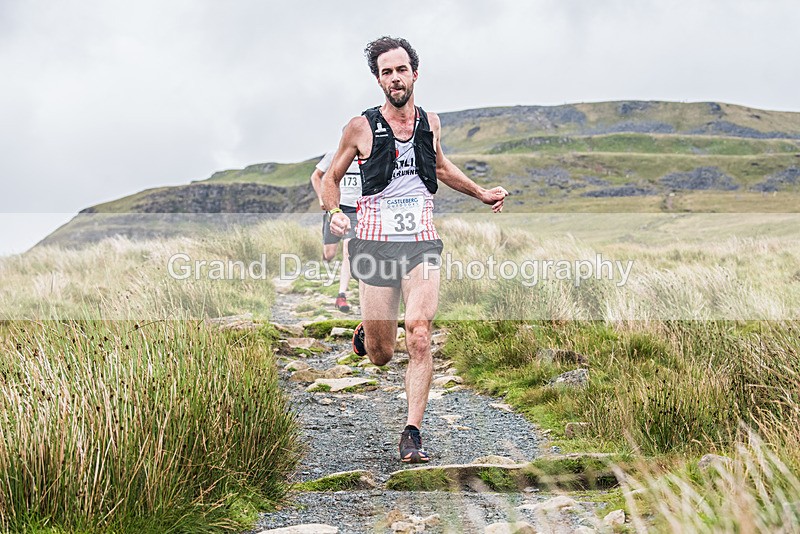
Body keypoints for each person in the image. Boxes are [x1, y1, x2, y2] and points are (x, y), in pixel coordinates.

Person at [321, 36, 508, 463]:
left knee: (419, 333)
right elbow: (332, 177)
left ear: (414, 74)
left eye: (401, 69)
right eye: (386, 72)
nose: (395, 78)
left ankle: (412, 434)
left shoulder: (430, 123)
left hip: (421, 243)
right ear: (378, 80)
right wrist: (333, 211)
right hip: (374, 246)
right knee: (383, 356)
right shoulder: (360, 127)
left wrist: (479, 192)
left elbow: (440, 166)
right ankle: (369, 335)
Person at [309, 151, 361, 312]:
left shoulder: (368, 154)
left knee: (348, 249)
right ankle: (325, 256)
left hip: (356, 210)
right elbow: (316, 176)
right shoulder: (335, 155)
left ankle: (341, 295)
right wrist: (321, 198)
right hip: (336, 208)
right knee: (330, 254)